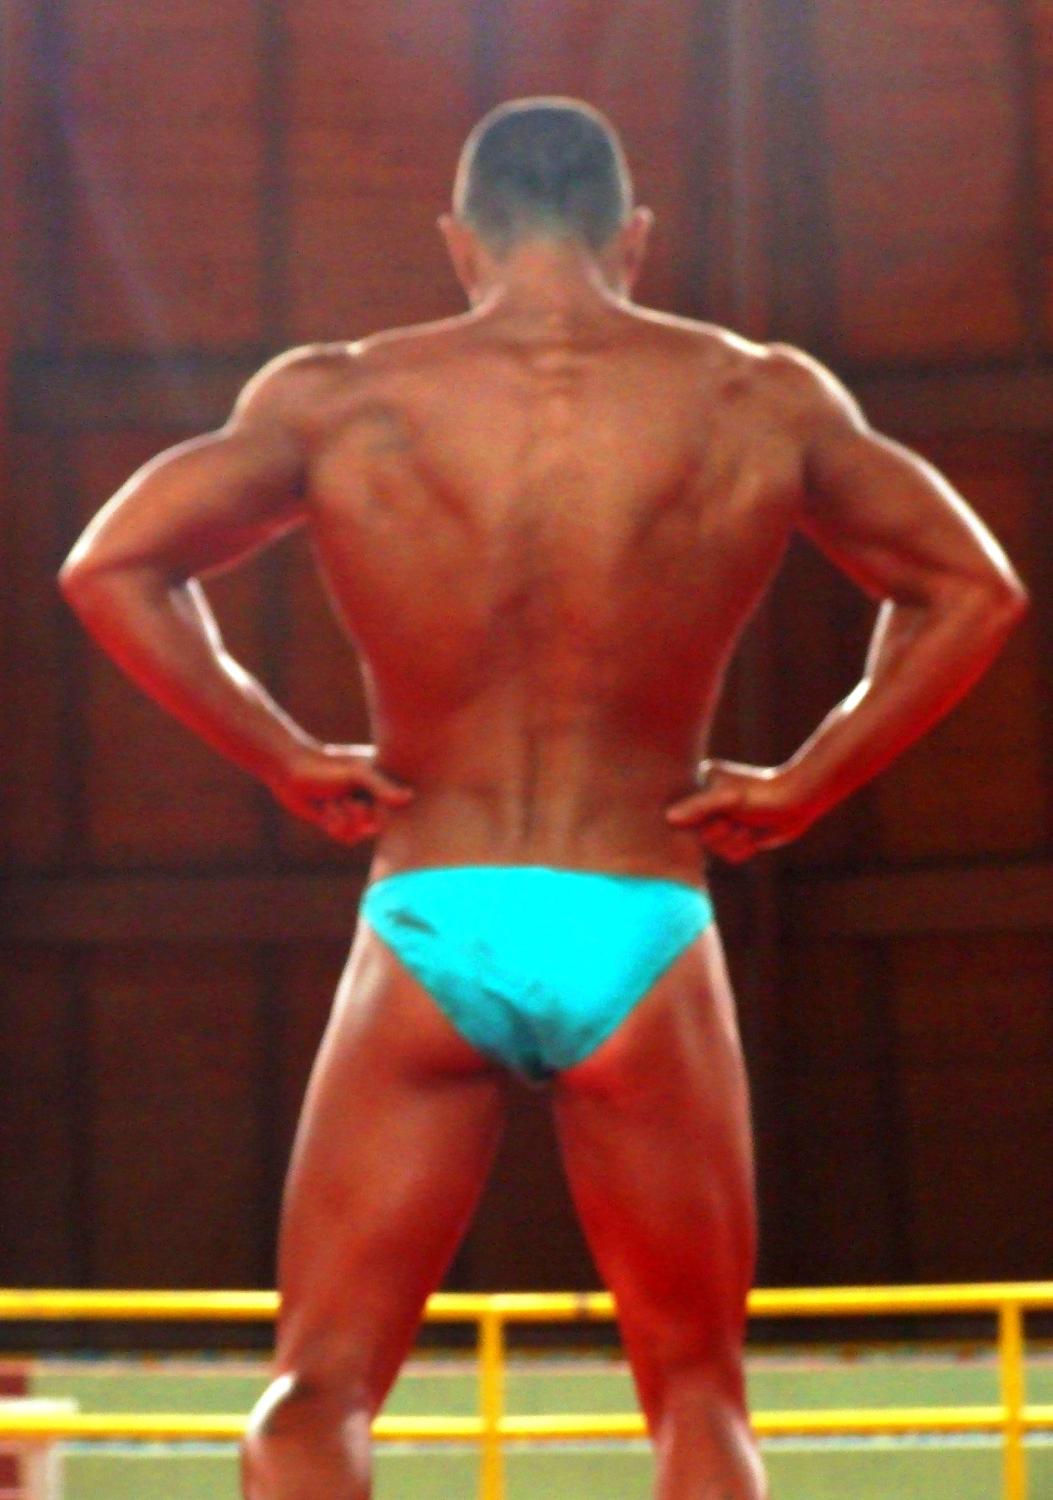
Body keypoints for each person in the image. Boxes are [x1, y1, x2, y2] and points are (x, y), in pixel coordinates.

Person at [59, 96, 1028, 1500]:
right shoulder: (756, 397)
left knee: (316, 1388)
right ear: (633, 239)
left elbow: (110, 566)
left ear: (461, 241)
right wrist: (811, 782)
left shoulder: (341, 397)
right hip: (641, 908)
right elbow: (973, 589)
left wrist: (281, 754)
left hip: (429, 911)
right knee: (698, 1398)